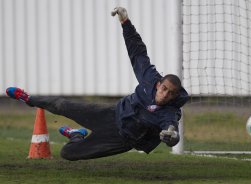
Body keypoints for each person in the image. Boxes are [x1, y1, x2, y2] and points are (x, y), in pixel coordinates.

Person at [6, 7, 189, 161]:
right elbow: (137, 51)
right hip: (110, 114)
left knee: (68, 154)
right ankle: (28, 98)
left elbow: (171, 132)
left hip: (121, 140)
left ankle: (77, 135)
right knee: (61, 105)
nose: (165, 95)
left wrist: (171, 137)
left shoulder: (170, 112)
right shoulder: (150, 78)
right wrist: (125, 22)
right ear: (158, 85)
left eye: (171, 93)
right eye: (164, 89)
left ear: (174, 96)